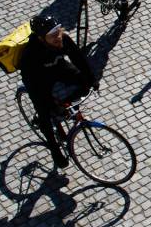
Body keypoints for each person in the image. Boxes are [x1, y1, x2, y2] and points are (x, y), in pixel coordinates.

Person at [18, 15, 97, 169]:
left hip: (57, 66)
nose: (58, 36)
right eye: (52, 35)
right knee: (45, 112)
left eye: (57, 31)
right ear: (41, 38)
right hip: (38, 79)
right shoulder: (31, 55)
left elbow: (78, 58)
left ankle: (65, 108)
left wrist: (91, 79)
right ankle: (54, 150)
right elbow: (35, 88)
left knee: (82, 82)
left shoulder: (63, 38)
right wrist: (50, 104)